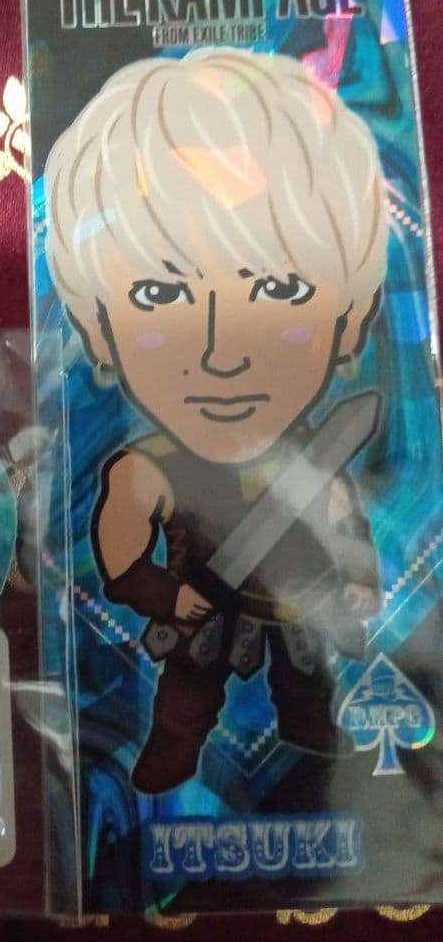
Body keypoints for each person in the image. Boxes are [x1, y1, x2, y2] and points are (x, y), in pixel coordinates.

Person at [44, 49, 388, 794]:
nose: (221, 353)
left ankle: (318, 769)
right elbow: (123, 561)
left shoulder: (320, 455)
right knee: (185, 701)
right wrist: (166, 597)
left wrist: (360, 579)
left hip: (300, 607)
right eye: (161, 296)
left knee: (308, 696)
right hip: (203, 610)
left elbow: (344, 520)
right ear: (97, 329)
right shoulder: (147, 470)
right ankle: (171, 761)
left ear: (352, 317)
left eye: (278, 288)